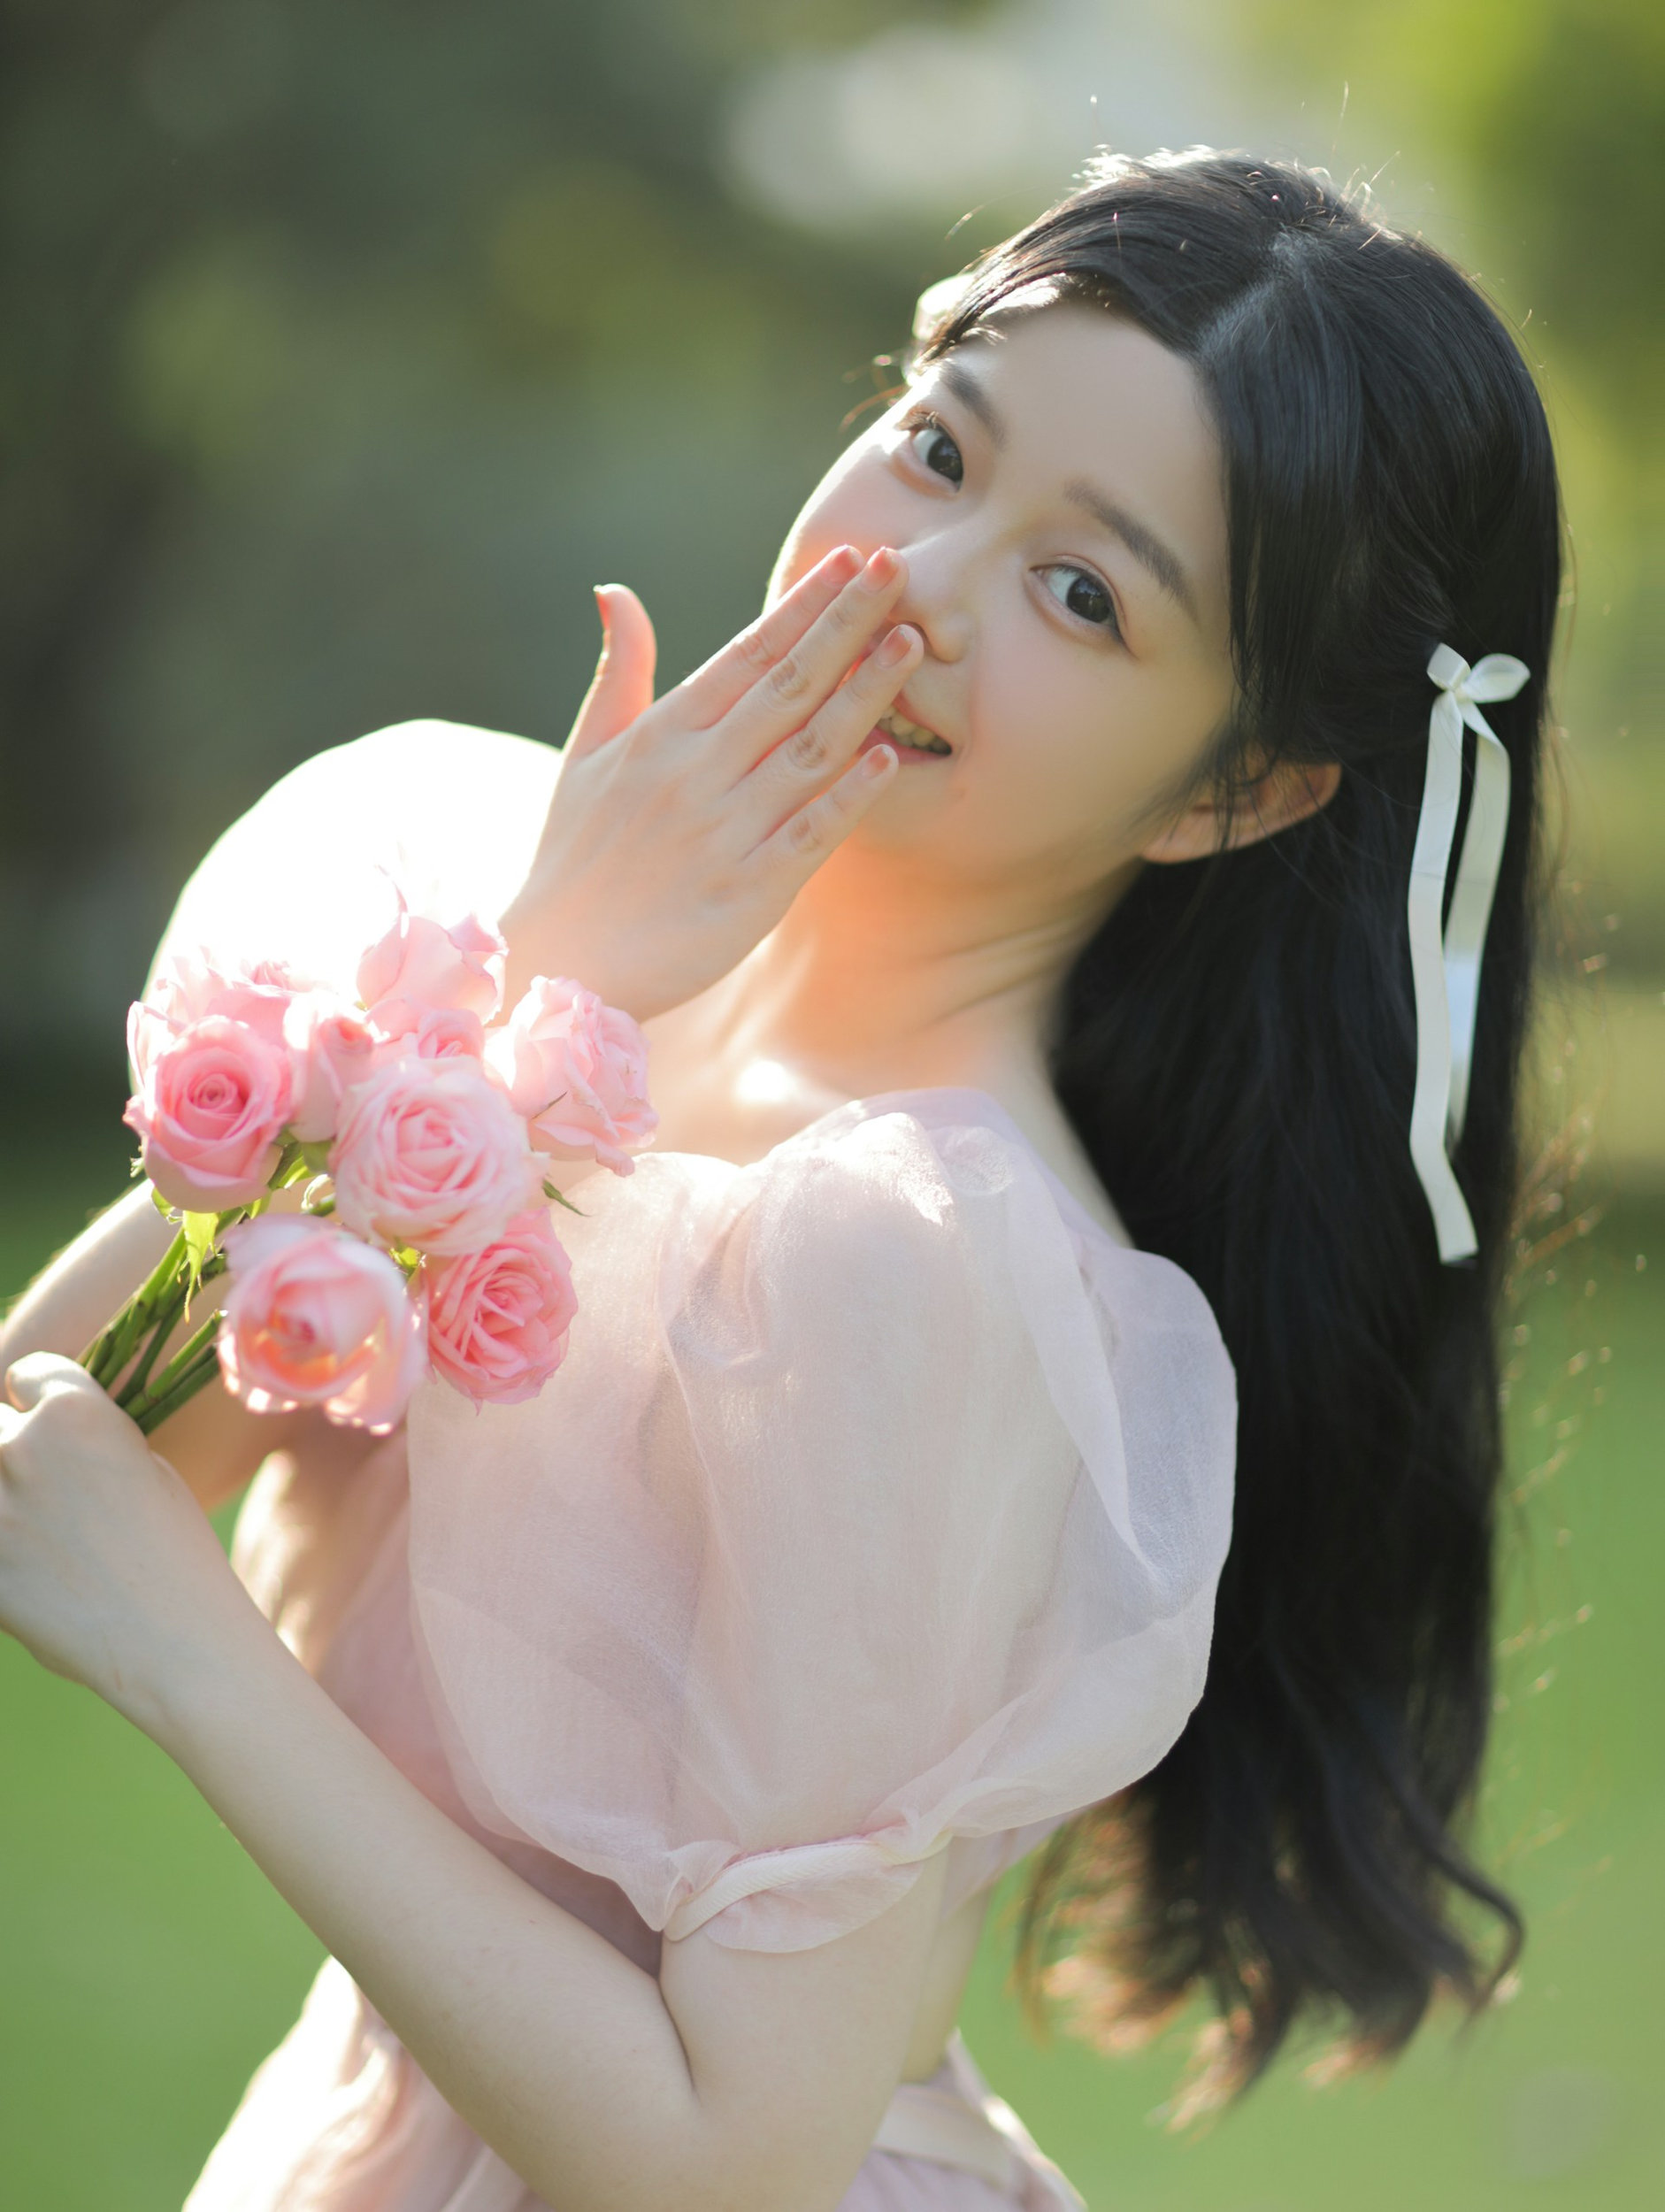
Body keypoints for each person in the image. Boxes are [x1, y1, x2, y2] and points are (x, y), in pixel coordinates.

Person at [0, 148, 1561, 2210]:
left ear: (1229, 788)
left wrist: (194, 1662)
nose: (912, 586)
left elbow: (728, 2162)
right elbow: (58, 1451)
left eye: (1080, 594)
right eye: (937, 448)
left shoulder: (912, 1256)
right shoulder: (528, 929)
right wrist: (515, 993)